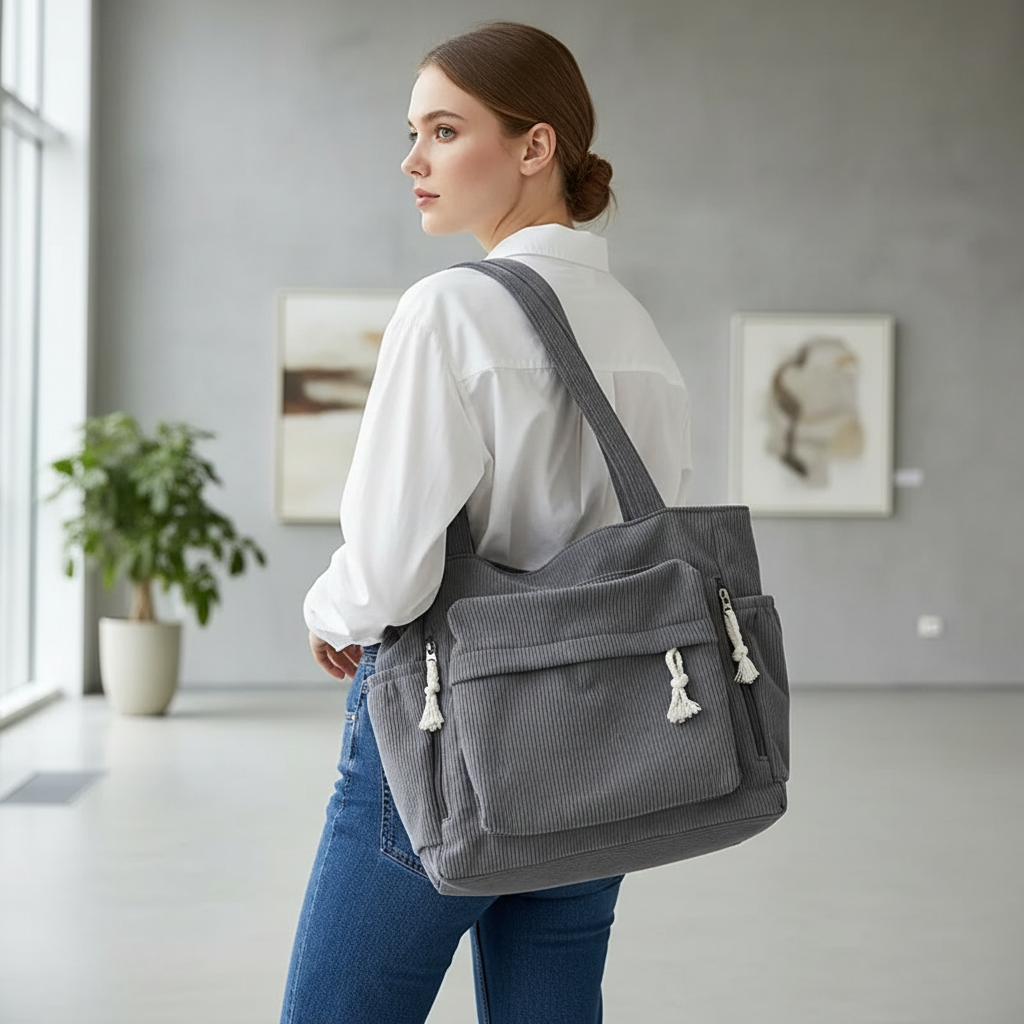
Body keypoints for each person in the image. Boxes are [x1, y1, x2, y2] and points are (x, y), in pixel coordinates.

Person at [280, 20, 692, 1024]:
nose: (412, 160)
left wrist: (331, 611)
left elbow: (389, 573)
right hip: (601, 727)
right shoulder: (634, 327)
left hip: (444, 718)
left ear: (534, 145)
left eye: (444, 130)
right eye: (412, 131)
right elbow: (651, 538)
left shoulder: (451, 308)